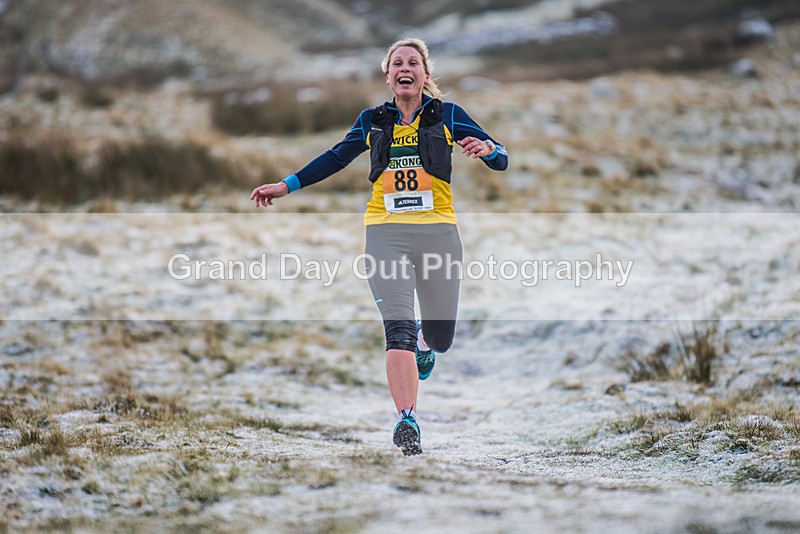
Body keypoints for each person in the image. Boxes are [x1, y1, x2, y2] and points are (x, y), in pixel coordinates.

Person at [250, 38, 508, 456]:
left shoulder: (450, 115)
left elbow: (503, 158)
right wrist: (286, 185)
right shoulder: (372, 120)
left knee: (440, 338)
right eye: (397, 63)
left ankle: (427, 346)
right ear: (388, 76)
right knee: (398, 327)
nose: (405, 68)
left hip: (438, 233)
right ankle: (407, 419)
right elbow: (336, 157)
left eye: (414, 62)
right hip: (385, 234)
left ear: (425, 74)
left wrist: (489, 150)